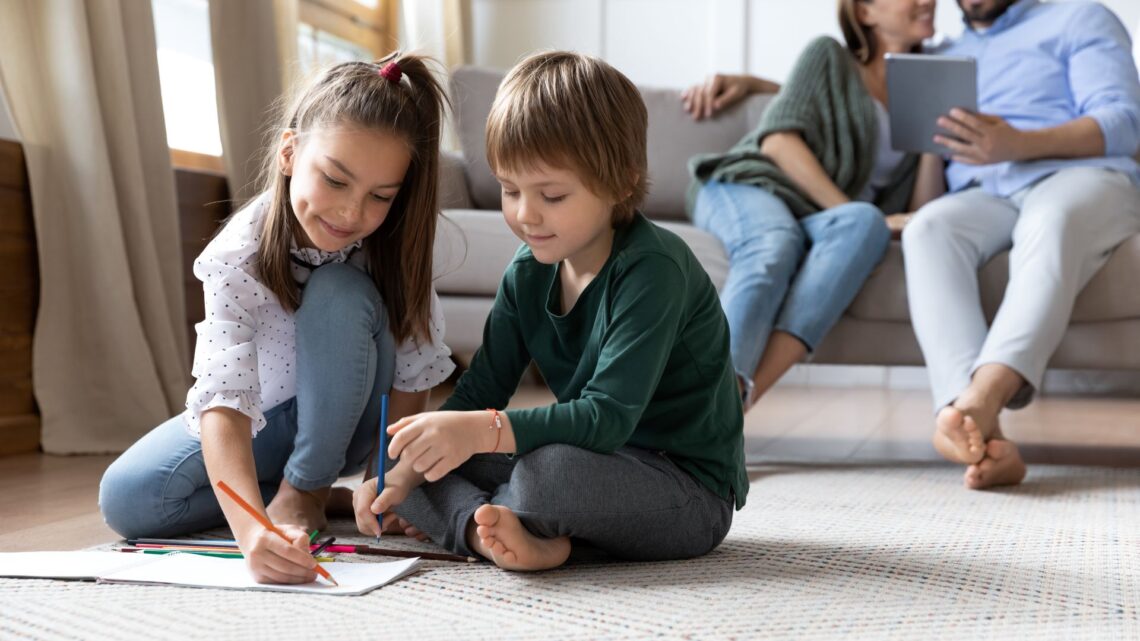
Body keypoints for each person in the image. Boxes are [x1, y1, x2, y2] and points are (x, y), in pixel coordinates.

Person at [351, 51, 748, 572]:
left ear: (623, 181)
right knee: (408, 453)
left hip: (685, 487)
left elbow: (605, 419)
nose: (524, 214)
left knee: (546, 476)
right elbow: (480, 390)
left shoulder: (654, 270)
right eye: (509, 190)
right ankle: (486, 530)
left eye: (552, 195)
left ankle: (513, 519)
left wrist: (475, 433)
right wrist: (403, 472)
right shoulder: (528, 272)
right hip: (591, 459)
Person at [99, 53, 455, 584]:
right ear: (290, 152)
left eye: (380, 197)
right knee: (127, 499)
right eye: (335, 181)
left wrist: (385, 477)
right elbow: (224, 398)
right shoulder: (234, 255)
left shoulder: (395, 246)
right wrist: (251, 531)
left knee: (338, 293)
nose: (351, 214)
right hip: (266, 420)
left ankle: (307, 487)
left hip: (352, 413)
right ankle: (310, 495)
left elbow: (412, 376)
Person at [902, 0, 1140, 489]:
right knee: (927, 229)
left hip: (1083, 178)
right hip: (985, 193)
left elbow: (1123, 123)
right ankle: (985, 440)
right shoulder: (946, 54)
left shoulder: (1080, 18)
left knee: (1051, 218)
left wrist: (1018, 144)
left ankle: (978, 399)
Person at [684, 0, 946, 410]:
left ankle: (728, 410)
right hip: (749, 186)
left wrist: (933, 138)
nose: (926, 1)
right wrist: (845, 209)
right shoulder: (829, 54)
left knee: (866, 224)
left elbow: (920, 210)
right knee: (775, 243)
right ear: (864, 13)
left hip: (818, 218)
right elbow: (779, 140)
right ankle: (710, 409)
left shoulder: (925, 86)